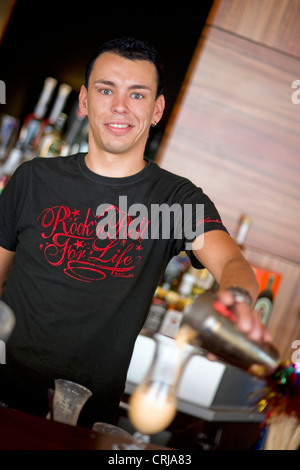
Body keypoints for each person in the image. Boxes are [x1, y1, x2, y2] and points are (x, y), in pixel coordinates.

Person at [0, 37, 271, 428]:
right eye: (106, 89)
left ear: (157, 109)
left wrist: (239, 300)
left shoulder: (173, 201)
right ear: (84, 101)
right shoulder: (34, 180)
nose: (119, 106)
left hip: (85, 423)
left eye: (138, 95)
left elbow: (230, 260)